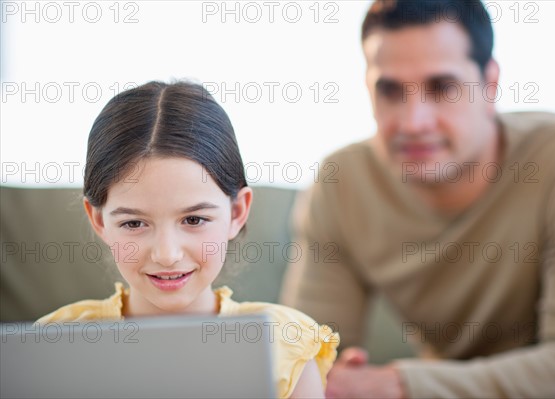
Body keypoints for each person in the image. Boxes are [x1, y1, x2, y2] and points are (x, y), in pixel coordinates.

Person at [281, 0, 555, 398]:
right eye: (390, 91)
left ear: (491, 85)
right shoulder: (341, 183)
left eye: (443, 88)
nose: (414, 122)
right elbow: (305, 360)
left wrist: (398, 386)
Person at [36, 81, 339, 399]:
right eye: (134, 223)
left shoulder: (286, 344)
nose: (167, 254)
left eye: (194, 220)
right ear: (98, 220)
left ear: (237, 212)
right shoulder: (55, 340)